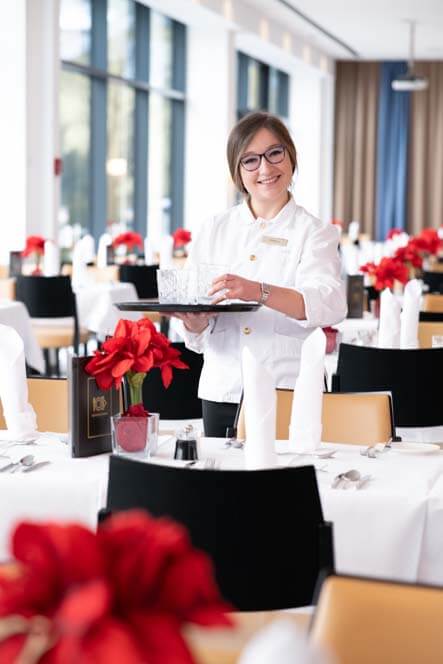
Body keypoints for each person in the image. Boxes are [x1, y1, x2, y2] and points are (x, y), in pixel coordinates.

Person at [172, 111, 347, 437]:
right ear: (238, 173)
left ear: (291, 158)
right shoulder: (214, 229)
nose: (265, 168)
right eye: (250, 160)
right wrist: (194, 323)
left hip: (289, 390)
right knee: (222, 486)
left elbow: (329, 303)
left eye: (274, 153)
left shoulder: (315, 232)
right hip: (224, 389)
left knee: (285, 486)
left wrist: (259, 291)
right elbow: (195, 316)